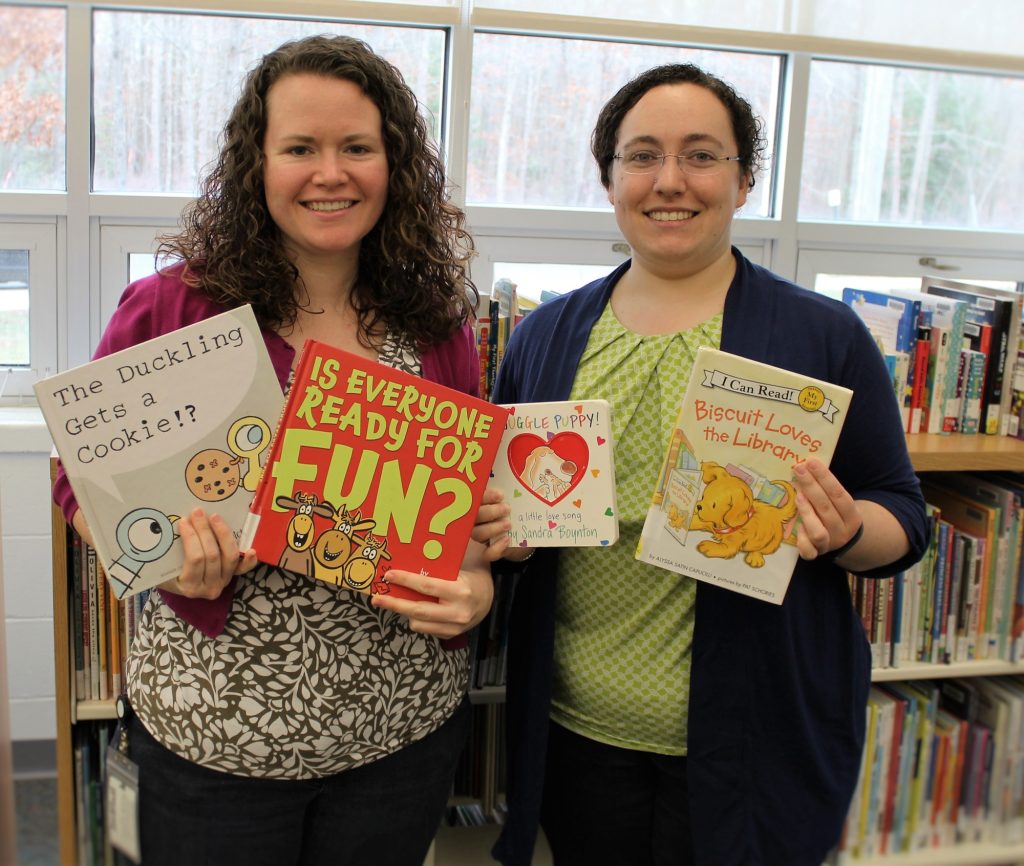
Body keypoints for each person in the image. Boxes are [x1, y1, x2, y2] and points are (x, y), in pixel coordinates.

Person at [52, 34, 494, 866]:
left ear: (393, 164)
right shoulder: (174, 307)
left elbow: (465, 513)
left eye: (358, 147)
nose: (331, 173)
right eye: (300, 148)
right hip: (215, 745)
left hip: (401, 736)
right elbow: (87, 479)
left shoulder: (435, 324)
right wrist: (163, 558)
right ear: (257, 165)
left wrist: (475, 582)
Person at [474, 63, 931, 866]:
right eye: (642, 155)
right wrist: (498, 537)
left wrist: (850, 527)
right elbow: (506, 522)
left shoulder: (822, 338)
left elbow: (903, 515)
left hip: (752, 742)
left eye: (702, 155)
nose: (670, 181)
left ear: (745, 178)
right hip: (578, 734)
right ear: (609, 179)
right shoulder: (547, 336)